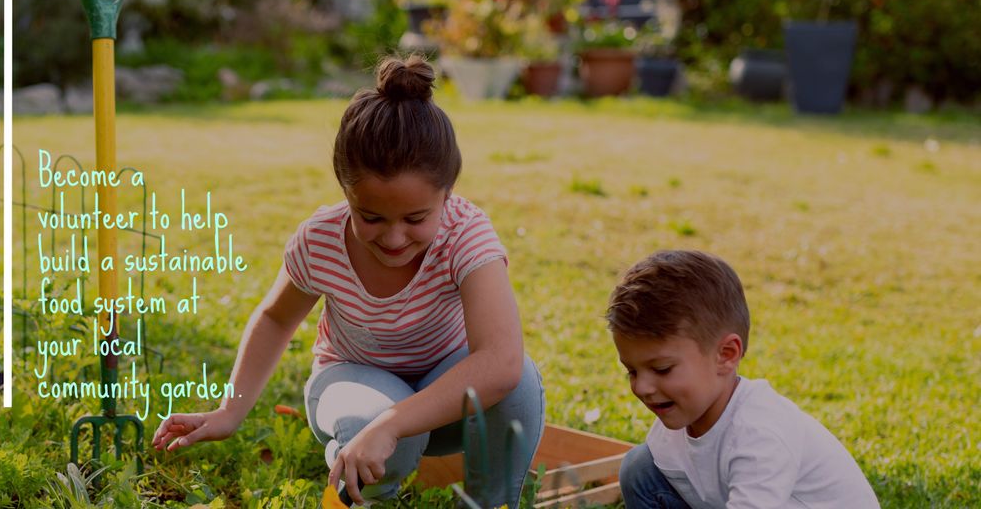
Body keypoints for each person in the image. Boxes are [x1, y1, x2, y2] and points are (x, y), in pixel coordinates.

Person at [152, 54, 545, 507]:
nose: (394, 238)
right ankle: (367, 496)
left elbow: (499, 361)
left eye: (416, 217)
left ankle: (488, 503)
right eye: (371, 216)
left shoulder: (466, 234)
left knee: (517, 385)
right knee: (370, 420)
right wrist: (230, 409)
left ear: (448, 192)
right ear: (346, 192)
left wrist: (394, 423)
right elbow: (276, 319)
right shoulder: (320, 239)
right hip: (356, 379)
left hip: (446, 392)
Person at [606, 249, 880, 509]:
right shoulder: (679, 419)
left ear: (726, 355)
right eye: (632, 371)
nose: (641, 387)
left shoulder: (759, 433)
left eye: (663, 369)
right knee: (640, 468)